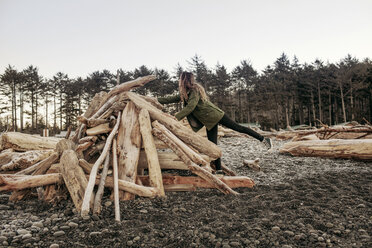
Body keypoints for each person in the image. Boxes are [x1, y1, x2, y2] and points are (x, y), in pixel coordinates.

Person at [157, 71, 272, 173]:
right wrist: (154, 100)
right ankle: (219, 170)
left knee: (239, 128)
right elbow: (169, 99)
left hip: (216, 115)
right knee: (213, 145)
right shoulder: (185, 94)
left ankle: (263, 139)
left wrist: (175, 117)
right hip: (209, 121)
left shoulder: (194, 91)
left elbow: (191, 107)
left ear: (183, 80)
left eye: (180, 80)